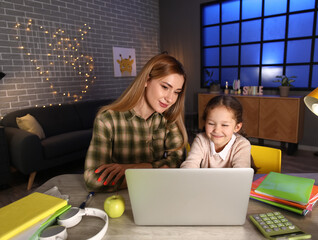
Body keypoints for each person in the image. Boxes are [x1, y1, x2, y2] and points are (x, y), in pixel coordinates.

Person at [84, 53, 188, 192]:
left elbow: (178, 162)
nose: (170, 98)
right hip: (121, 197)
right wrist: (157, 172)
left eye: (176, 92)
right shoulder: (108, 119)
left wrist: (131, 169)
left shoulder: (169, 118)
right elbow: (93, 178)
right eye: (165, 87)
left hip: (159, 193)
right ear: (146, 80)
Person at [181, 95, 251, 168]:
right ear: (205, 123)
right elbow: (190, 164)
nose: (217, 130)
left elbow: (241, 174)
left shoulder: (242, 145)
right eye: (211, 123)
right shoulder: (201, 140)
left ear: (237, 127)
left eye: (224, 125)